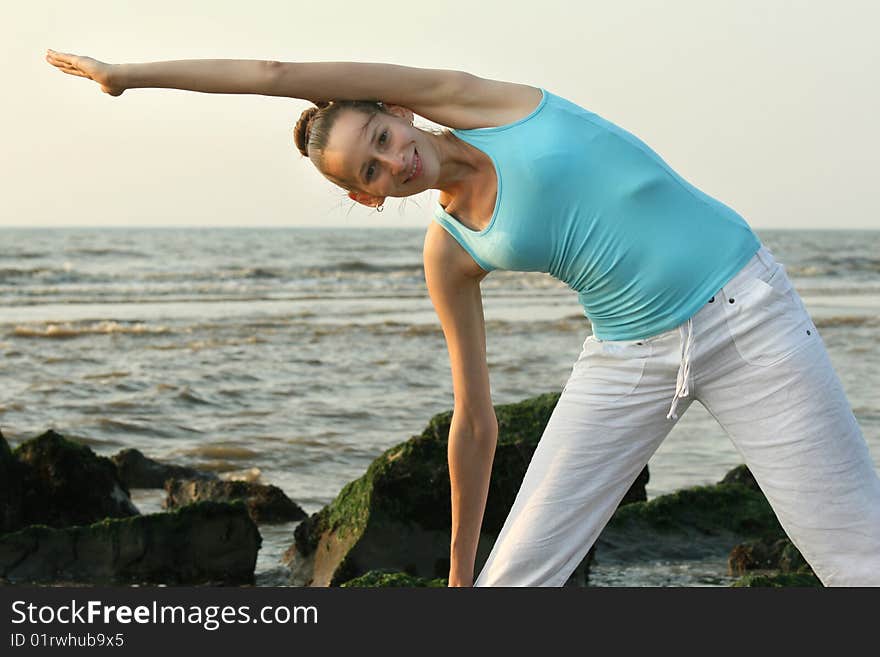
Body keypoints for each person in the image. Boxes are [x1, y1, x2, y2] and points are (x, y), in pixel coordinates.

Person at [45, 50, 880, 587]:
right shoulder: (448, 252)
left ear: (397, 110)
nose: (391, 160)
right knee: (506, 586)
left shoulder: (478, 101)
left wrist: (132, 76)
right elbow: (474, 421)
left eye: (379, 134)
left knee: (855, 562)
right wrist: (455, 569)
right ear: (363, 195)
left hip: (748, 313)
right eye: (370, 170)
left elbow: (274, 74)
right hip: (628, 357)